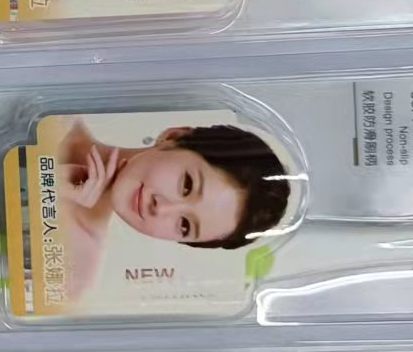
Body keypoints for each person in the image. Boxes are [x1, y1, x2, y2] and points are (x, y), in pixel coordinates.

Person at [54, 119, 290, 302]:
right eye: (187, 185)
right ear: (173, 137)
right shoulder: (54, 116)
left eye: (185, 225)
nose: (163, 208)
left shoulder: (75, 273)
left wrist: (47, 187)